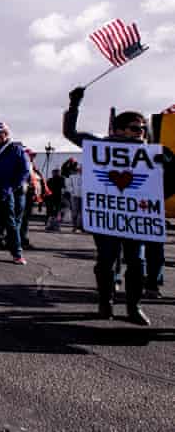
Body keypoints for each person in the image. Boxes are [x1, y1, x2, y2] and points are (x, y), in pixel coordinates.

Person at [62, 86, 174, 325]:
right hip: (107, 217)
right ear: (120, 129)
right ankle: (106, 302)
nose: (141, 132)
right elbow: (70, 133)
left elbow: (173, 174)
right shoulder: (100, 146)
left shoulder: (152, 153)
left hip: (138, 217)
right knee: (106, 260)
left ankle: (134, 307)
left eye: (144, 128)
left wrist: (157, 197)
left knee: (137, 262)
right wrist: (74, 105)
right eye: (135, 128)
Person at [0, 122, 30, 265]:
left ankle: (17, 253)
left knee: (11, 223)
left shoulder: (16, 149)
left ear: (6, 134)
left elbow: (25, 170)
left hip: (5, 191)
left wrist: (12, 186)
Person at [19, 149, 47, 248]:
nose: (32, 157)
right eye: (31, 155)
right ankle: (21, 240)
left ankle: (22, 240)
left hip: (30, 196)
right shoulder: (24, 165)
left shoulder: (32, 167)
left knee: (24, 220)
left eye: (33, 156)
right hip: (24, 195)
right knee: (21, 219)